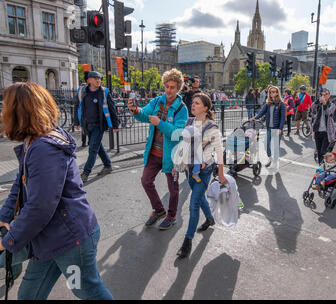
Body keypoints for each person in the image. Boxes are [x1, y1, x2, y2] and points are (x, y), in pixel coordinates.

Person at [0, 82, 113, 300]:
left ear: (19, 112)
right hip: (48, 237)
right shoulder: (35, 138)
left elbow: (40, 207)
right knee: (28, 295)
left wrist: (9, 240)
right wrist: (4, 216)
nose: (4, 113)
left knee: (88, 292)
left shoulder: (44, 148)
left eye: (7, 107)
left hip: (69, 241)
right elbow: (19, 181)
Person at [128, 69, 189, 230]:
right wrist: (135, 110)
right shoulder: (156, 101)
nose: (169, 90)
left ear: (178, 89)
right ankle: (159, 210)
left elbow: (177, 133)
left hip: (171, 155)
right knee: (146, 181)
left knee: (173, 187)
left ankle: (172, 215)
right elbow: (144, 115)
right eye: (167, 86)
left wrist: (160, 123)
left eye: (173, 87)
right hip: (154, 152)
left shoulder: (181, 108)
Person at [174, 93, 228, 259]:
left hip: (204, 171)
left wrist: (220, 172)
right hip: (190, 169)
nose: (193, 105)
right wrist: (176, 164)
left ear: (205, 107)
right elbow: (184, 143)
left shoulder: (211, 126)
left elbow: (218, 150)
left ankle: (187, 242)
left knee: (193, 204)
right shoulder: (189, 121)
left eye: (197, 103)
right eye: (193, 102)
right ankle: (210, 219)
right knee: (199, 198)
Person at [74, 71, 120, 183]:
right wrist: (76, 122)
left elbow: (112, 109)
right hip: (87, 125)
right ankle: (108, 165)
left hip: (99, 125)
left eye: (99, 78)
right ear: (89, 80)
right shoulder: (82, 91)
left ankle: (85, 173)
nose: (98, 80)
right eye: (95, 78)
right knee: (98, 147)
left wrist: (115, 124)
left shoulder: (104, 92)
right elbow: (77, 106)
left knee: (92, 149)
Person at [250, 86, 286, 168]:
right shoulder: (268, 104)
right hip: (269, 128)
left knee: (275, 147)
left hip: (277, 129)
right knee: (266, 145)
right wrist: (254, 118)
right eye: (270, 92)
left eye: (273, 92)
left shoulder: (281, 104)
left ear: (277, 93)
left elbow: (283, 118)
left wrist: (280, 129)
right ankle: (270, 159)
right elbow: (261, 113)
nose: (271, 93)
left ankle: (275, 162)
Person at [310, 89, 336, 164]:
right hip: (317, 130)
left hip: (327, 132)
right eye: (323, 94)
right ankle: (321, 166)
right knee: (319, 151)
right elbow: (312, 109)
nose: (324, 96)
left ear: (329, 96)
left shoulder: (332, 105)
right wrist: (317, 102)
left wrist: (325, 104)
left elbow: (329, 113)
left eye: (326, 94)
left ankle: (324, 167)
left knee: (323, 151)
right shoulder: (318, 104)